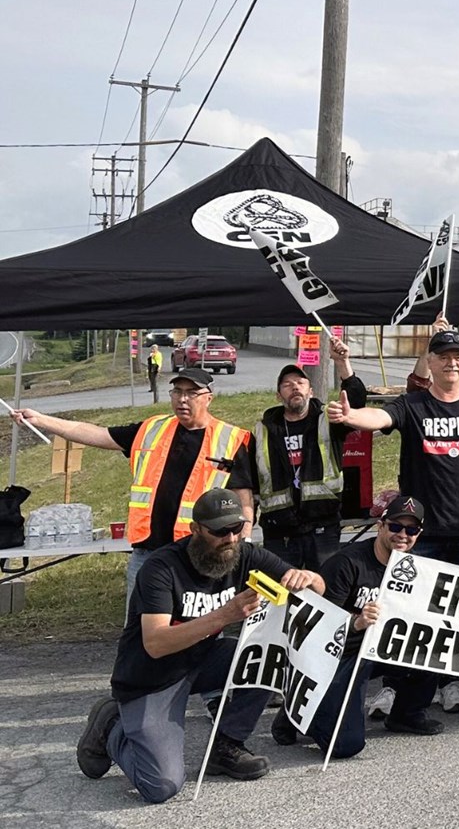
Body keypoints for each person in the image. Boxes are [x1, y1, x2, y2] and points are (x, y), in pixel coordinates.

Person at [74, 488, 323, 803]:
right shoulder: (161, 568)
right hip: (151, 676)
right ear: (196, 530)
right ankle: (111, 724)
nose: (230, 538)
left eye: (237, 528)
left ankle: (227, 745)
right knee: (161, 786)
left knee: (269, 653)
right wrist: (225, 615)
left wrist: (308, 578)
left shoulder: (243, 553)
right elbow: (155, 643)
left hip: (202, 661)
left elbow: (317, 588)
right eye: (220, 531)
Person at [328, 328, 459, 713]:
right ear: (430, 363)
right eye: (443, 356)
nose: (452, 362)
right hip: (417, 534)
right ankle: (398, 685)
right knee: (410, 612)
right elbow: (380, 416)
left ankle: (452, 682)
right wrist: (352, 416)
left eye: (458, 356)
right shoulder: (413, 404)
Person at [12, 367, 252, 600]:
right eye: (177, 392)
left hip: (199, 553)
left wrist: (243, 544)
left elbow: (244, 501)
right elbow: (94, 433)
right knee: (139, 627)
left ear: (209, 398)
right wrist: (41, 419)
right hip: (149, 553)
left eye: (191, 393)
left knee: (199, 628)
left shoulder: (230, 440)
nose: (182, 399)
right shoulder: (151, 429)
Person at [275, 495, 442, 755]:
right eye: (396, 527)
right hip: (340, 655)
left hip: (382, 649)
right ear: (381, 525)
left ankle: (406, 714)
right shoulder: (348, 563)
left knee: (433, 646)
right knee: (345, 745)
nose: (403, 535)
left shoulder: (416, 568)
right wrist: (357, 622)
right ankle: (297, 711)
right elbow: (317, 627)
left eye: (411, 530)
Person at [248, 335, 366, 570]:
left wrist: (343, 364)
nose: (294, 387)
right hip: (278, 531)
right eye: (287, 384)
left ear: (310, 391)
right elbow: (250, 481)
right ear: (278, 395)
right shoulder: (262, 430)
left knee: (323, 592)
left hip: (322, 527)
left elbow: (355, 403)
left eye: (300, 383)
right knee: (279, 596)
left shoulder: (328, 420)